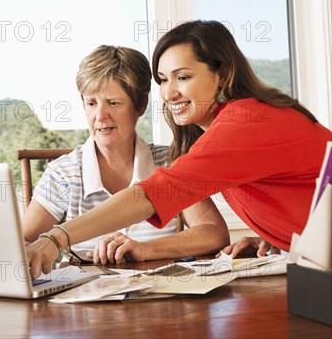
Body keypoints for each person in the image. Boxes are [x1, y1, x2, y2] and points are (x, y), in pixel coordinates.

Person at [26, 20, 332, 277]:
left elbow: (153, 194)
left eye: (183, 77)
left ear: (222, 74)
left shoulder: (246, 122)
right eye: (162, 79)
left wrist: (57, 237)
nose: (169, 93)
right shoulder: (220, 131)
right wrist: (275, 237)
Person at [22, 45, 229, 265]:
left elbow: (214, 233)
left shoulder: (170, 163)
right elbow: (22, 241)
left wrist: (144, 249)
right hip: (85, 296)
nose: (100, 116)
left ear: (140, 105)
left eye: (113, 103)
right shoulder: (63, 173)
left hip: (160, 295)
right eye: (91, 103)